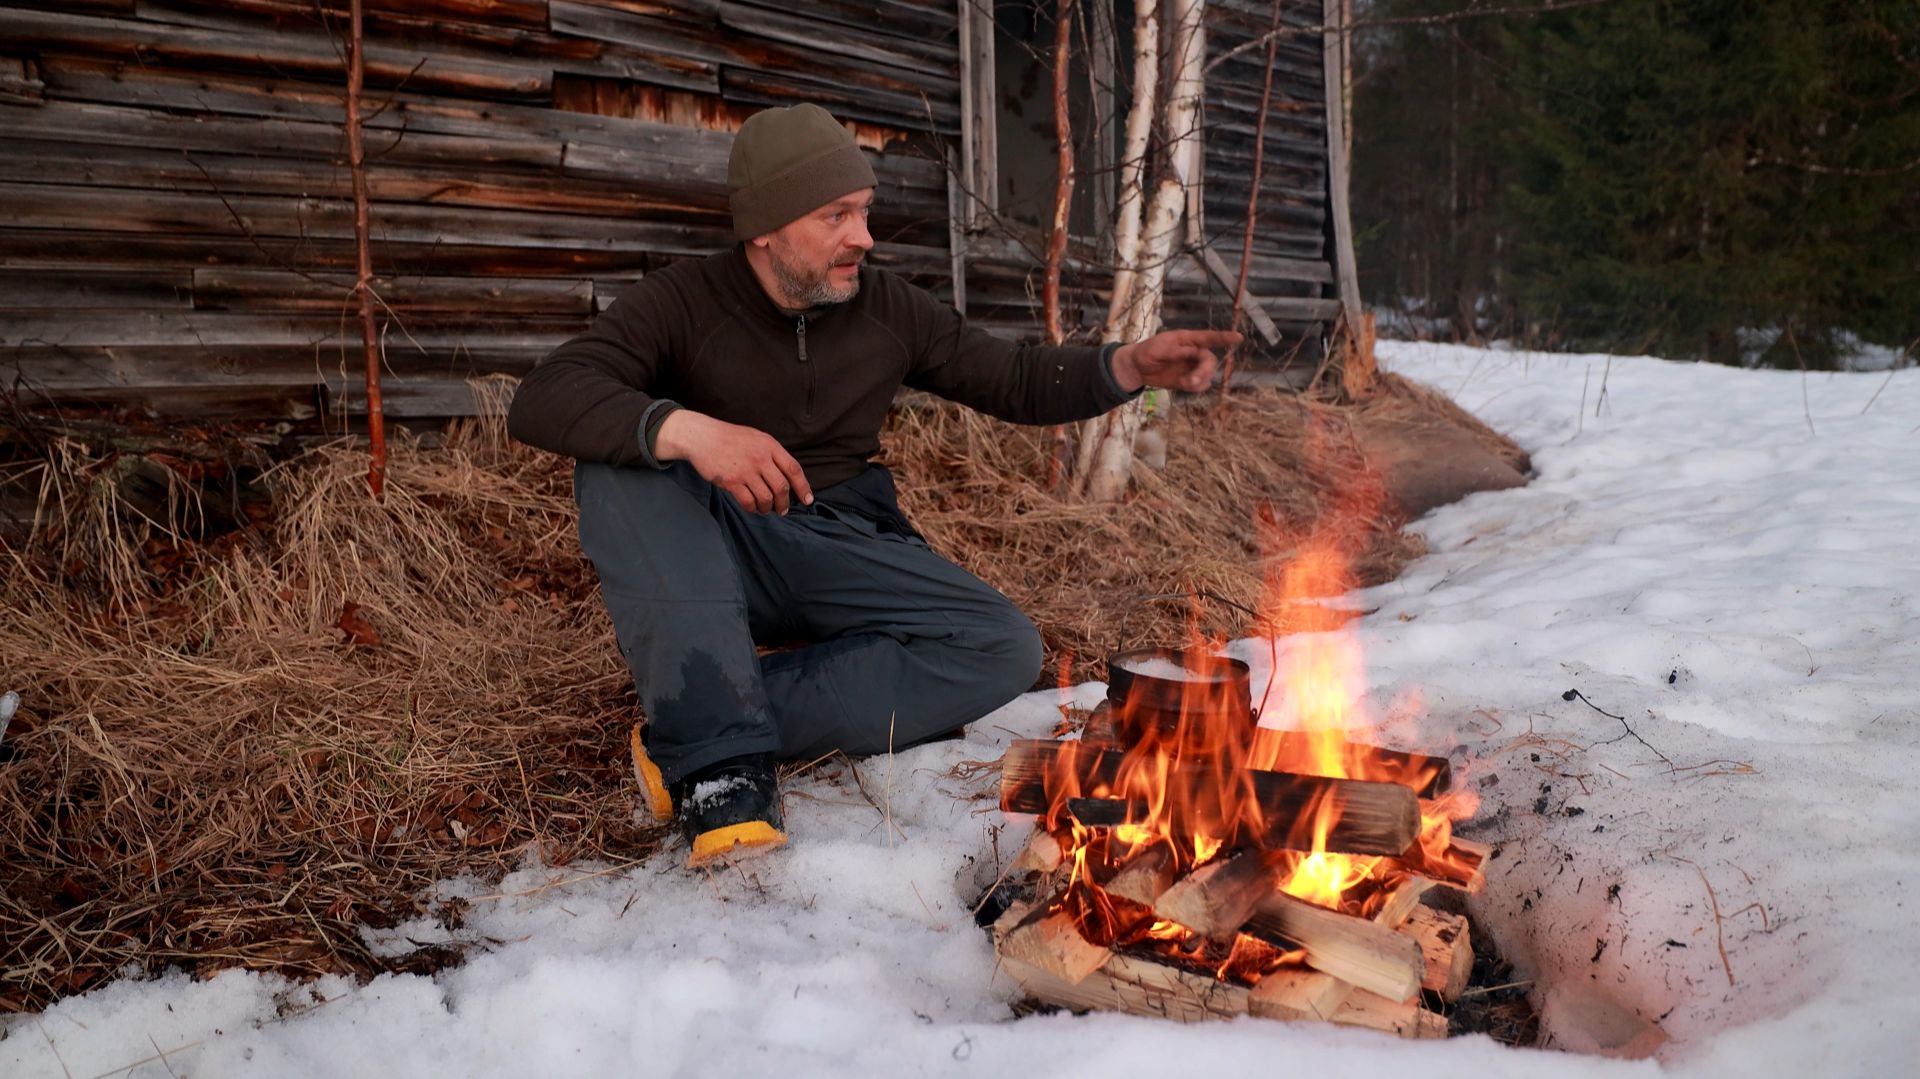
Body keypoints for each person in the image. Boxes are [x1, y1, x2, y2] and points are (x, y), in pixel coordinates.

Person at [508, 103, 1238, 867]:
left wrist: (1125, 367)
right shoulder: (684, 302)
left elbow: (1012, 378)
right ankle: (720, 771)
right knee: (623, 466)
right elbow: (548, 394)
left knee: (1002, 647)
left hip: (841, 540)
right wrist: (690, 431)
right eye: (838, 216)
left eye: (863, 212)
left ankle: (692, 721)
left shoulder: (889, 308)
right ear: (766, 228)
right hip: (720, 542)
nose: (864, 236)